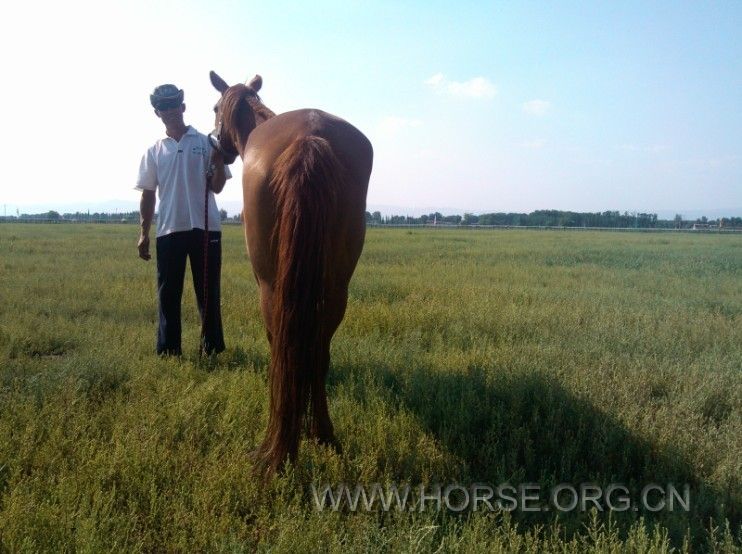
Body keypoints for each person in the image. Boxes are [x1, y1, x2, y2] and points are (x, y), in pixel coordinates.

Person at [135, 83, 231, 356]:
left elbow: (217, 186)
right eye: (163, 107)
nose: (170, 111)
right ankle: (168, 350)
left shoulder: (205, 142)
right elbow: (148, 194)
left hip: (206, 227)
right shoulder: (154, 150)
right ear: (157, 113)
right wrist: (144, 232)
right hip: (169, 230)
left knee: (209, 293)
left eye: (174, 105)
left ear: (183, 107)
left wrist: (220, 159)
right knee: (168, 294)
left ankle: (211, 348)